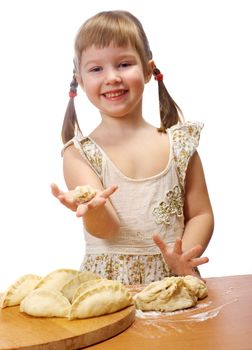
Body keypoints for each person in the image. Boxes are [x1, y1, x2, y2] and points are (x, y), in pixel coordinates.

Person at [51, 10, 214, 285]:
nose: (112, 77)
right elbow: (107, 228)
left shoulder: (179, 146)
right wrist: (94, 208)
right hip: (109, 287)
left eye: (124, 64)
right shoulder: (79, 154)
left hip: (173, 280)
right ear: (79, 80)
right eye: (96, 69)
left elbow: (200, 213)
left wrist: (183, 255)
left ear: (149, 70)